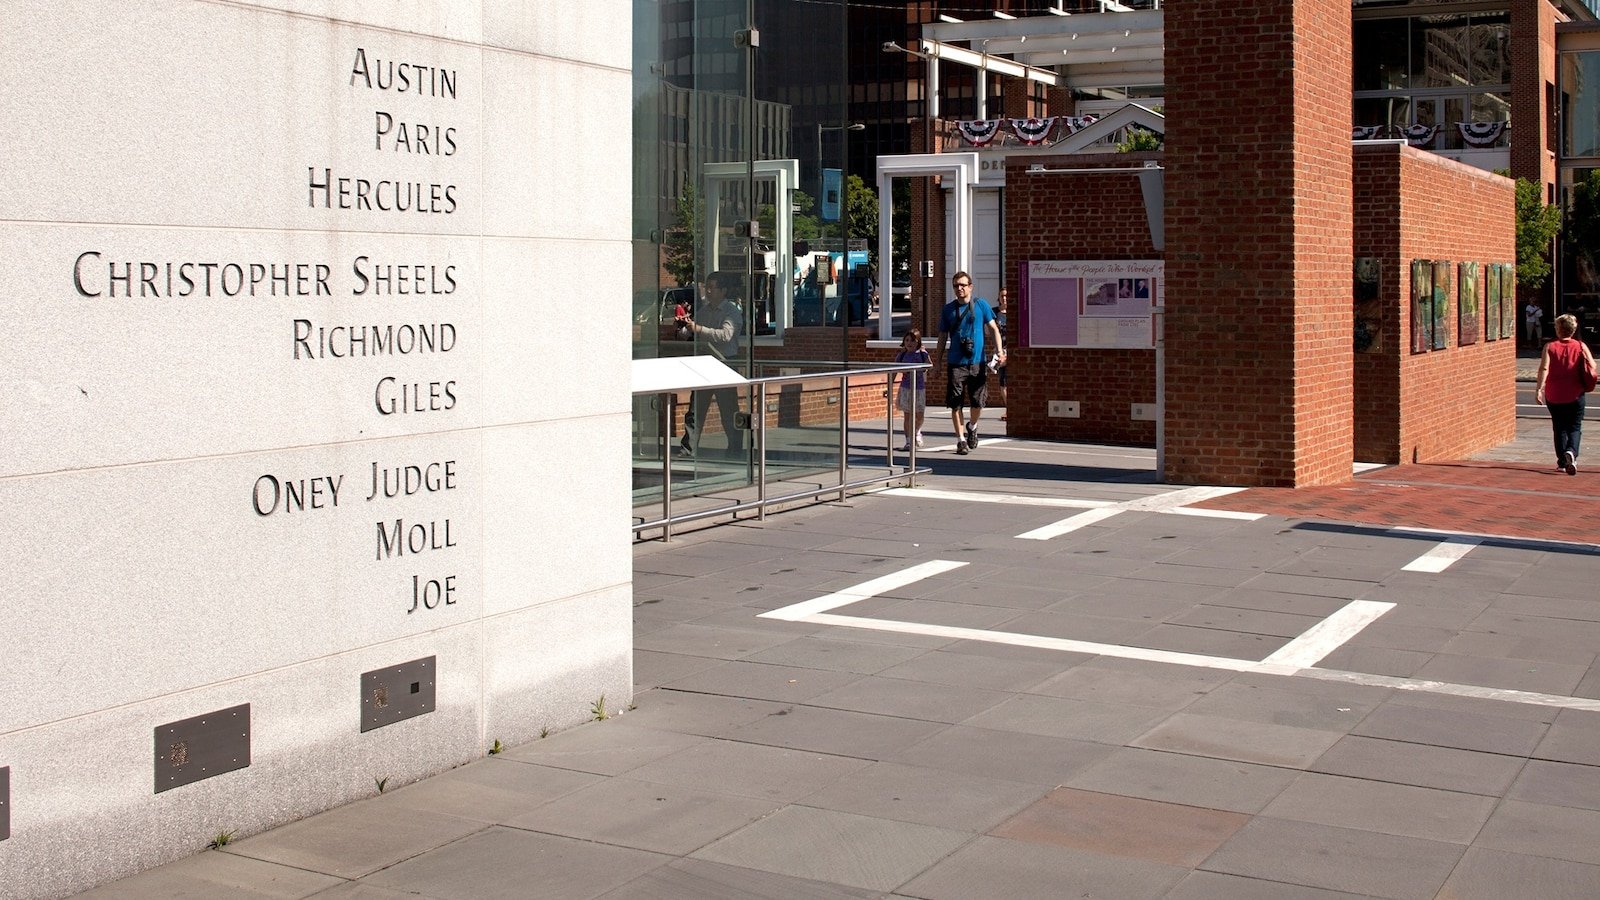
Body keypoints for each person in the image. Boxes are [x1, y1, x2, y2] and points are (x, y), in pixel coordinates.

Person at [934, 272, 1004, 455]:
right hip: (956, 363)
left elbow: (993, 329)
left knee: (977, 402)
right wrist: (937, 362)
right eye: (956, 285)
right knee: (955, 403)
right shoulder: (948, 310)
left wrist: (1000, 351)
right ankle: (961, 440)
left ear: (970, 286)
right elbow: (942, 337)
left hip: (977, 362)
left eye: (963, 285)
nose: (960, 289)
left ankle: (972, 426)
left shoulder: (981, 305)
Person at [678, 272, 746, 457]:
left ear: (723, 290)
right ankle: (688, 448)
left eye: (712, 287)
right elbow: (690, 334)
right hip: (704, 365)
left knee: (728, 410)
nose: (708, 291)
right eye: (706, 287)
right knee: (695, 411)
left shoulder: (731, 311)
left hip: (725, 363)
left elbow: (725, 336)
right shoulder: (703, 311)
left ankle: (735, 448)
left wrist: (699, 329)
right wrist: (685, 327)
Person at [1535, 313, 1595, 475]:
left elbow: (1544, 368)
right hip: (1576, 394)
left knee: (1559, 428)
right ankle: (1572, 452)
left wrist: (1539, 389)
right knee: (1575, 427)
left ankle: (1562, 461)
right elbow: (1592, 365)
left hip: (1554, 395)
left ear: (1558, 329)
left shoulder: (1550, 347)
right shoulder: (1581, 346)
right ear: (1573, 330)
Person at [894, 328, 930, 451]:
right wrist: (890, 384)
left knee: (919, 414)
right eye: (907, 340)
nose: (909, 343)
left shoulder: (922, 354)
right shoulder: (902, 355)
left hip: (919, 388)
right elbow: (894, 370)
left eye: (913, 341)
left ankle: (917, 431)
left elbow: (929, 366)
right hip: (906, 388)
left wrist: (925, 354)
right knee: (907, 415)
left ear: (918, 342)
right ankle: (908, 440)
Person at [994, 288, 1009, 420]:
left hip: (1012, 352)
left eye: (1006, 296)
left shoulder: (1015, 313)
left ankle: (1011, 410)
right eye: (1002, 296)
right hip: (1000, 352)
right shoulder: (995, 313)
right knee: (1003, 382)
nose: (1004, 298)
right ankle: (1008, 409)